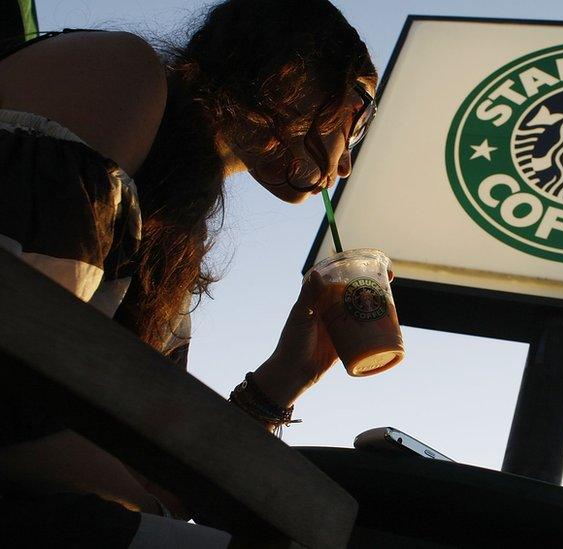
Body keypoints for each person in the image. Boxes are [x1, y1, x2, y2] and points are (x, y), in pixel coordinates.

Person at [0, 0, 377, 545]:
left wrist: (282, 379)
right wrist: (156, 513)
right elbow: (16, 363)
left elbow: (165, 472)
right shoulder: (117, 71)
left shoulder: (172, 228)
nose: (345, 165)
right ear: (300, 72)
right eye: (359, 117)